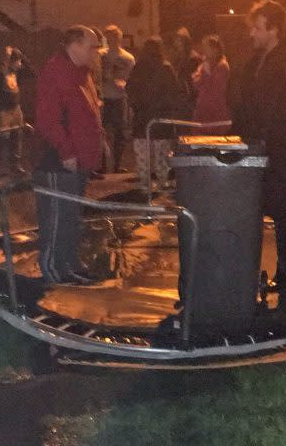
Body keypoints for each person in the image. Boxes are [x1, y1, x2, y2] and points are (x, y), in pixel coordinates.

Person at [233, 0, 286, 290]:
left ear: (274, 29)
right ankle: (251, 269)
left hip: (280, 152)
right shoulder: (255, 61)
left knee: (280, 212)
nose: (252, 33)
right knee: (253, 210)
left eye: (257, 27)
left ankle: (284, 272)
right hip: (255, 147)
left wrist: (267, 138)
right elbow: (246, 104)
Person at [34, 25, 104, 284]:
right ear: (73, 46)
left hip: (78, 161)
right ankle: (53, 270)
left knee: (71, 217)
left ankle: (70, 264)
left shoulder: (81, 73)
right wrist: (66, 151)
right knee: (56, 217)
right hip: (57, 162)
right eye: (91, 46)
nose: (96, 52)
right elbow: (47, 119)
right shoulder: (56, 73)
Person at [126, 36, 183, 188]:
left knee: (143, 156)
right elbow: (175, 93)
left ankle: (145, 185)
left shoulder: (138, 68)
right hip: (161, 119)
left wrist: (136, 106)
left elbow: (129, 89)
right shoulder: (166, 68)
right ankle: (162, 183)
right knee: (161, 155)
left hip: (142, 118)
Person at [0, 46, 33, 175]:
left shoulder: (17, 72)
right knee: (2, 138)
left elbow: (32, 73)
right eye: (17, 61)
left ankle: (15, 165)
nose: (19, 64)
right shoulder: (0, 69)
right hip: (2, 109)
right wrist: (7, 59)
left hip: (15, 108)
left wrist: (23, 58)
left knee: (17, 136)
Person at [99, 24, 135, 173]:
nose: (111, 40)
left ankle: (117, 165)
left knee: (119, 133)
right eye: (108, 37)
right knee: (100, 132)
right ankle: (101, 165)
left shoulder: (127, 58)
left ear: (119, 38)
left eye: (114, 37)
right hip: (102, 98)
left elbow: (132, 79)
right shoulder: (100, 56)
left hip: (118, 98)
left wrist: (124, 85)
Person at [192, 34, 231, 134]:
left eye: (206, 47)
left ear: (215, 49)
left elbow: (216, 88)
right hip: (203, 112)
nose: (203, 50)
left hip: (215, 114)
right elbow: (197, 83)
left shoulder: (222, 66)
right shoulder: (204, 65)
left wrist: (207, 73)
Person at [171, 27, 201, 118]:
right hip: (180, 100)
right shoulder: (178, 58)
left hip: (189, 101)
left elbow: (193, 81)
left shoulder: (193, 58)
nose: (176, 43)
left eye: (178, 41)